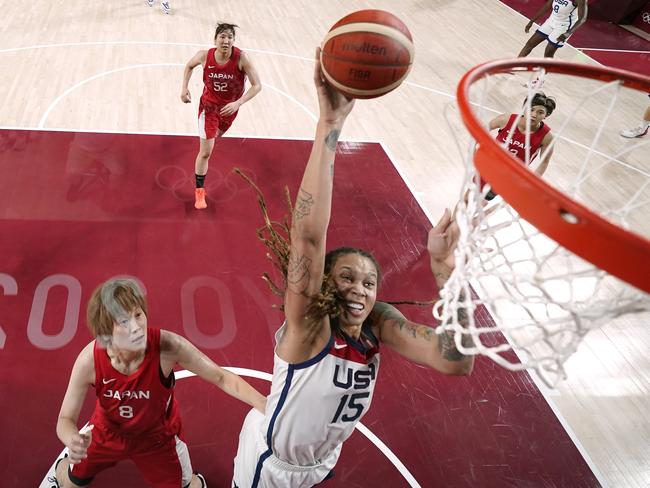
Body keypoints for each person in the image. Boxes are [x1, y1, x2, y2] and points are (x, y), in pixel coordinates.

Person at [231, 49, 474, 488]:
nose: (360, 289)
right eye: (346, 277)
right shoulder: (309, 325)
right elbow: (307, 236)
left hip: (321, 463)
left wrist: (447, 270)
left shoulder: (377, 325)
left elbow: (454, 362)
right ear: (326, 281)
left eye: (369, 281)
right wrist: (330, 124)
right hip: (270, 466)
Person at [54, 279, 267, 488]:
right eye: (124, 322)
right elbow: (65, 419)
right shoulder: (89, 361)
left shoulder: (168, 347)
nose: (137, 327)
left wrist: (267, 405)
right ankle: (61, 469)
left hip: (157, 439)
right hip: (106, 433)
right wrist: (72, 440)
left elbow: (221, 377)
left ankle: (196, 482)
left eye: (138, 315)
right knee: (70, 484)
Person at [181, 23, 262, 210]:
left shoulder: (242, 58)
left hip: (229, 111)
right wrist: (184, 88)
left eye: (230, 37)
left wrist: (238, 103)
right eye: (222, 37)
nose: (226, 41)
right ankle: (199, 193)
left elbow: (257, 85)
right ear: (215, 39)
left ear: (234, 41)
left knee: (214, 139)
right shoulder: (204, 56)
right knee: (206, 151)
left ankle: (209, 142)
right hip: (209, 108)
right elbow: (189, 66)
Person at [484, 92, 556, 200]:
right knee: (470, 196)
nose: (534, 115)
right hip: (490, 164)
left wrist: (533, 180)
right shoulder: (505, 119)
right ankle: (456, 217)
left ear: (546, 115)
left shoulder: (547, 137)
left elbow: (544, 161)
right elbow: (483, 130)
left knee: (486, 198)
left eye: (540, 112)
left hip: (512, 175)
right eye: (531, 109)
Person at [518, 0, 588, 59]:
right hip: (551, 21)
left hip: (563, 27)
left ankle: (543, 73)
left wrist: (568, 33)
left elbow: (582, 19)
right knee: (530, 43)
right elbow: (548, 5)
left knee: (548, 52)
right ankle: (515, 66)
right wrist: (532, 21)